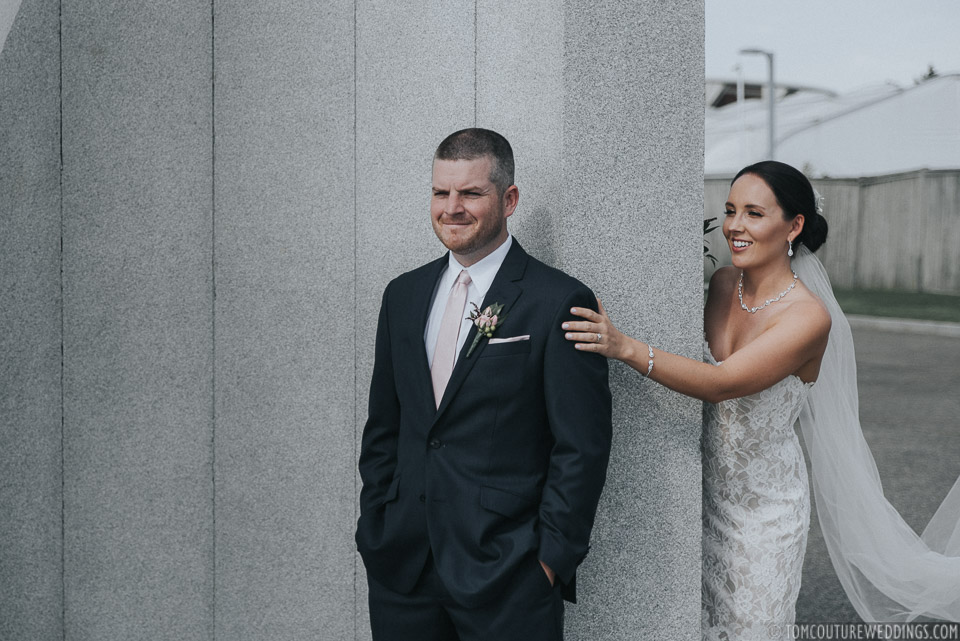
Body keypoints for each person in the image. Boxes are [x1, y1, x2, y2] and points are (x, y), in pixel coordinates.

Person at [562, 160, 960, 637]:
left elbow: (720, 382)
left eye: (754, 213)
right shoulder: (724, 284)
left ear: (793, 225)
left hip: (764, 513)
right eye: (730, 210)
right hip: (700, 498)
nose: (734, 226)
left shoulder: (807, 318)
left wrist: (622, 346)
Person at [355, 128, 612, 641]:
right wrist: (377, 522)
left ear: (509, 199)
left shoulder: (555, 299)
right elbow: (386, 423)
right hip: (402, 567)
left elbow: (581, 445)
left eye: (470, 193)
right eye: (440, 192)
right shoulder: (402, 295)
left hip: (508, 572)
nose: (452, 207)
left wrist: (549, 560)